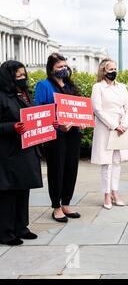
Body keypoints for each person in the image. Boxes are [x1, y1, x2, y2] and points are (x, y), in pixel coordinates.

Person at [34, 53, 83, 223]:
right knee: (57, 171)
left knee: (71, 169)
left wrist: (81, 120)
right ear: (51, 69)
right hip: (55, 135)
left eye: (64, 66)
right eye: (59, 67)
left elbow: (77, 107)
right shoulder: (44, 85)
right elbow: (38, 112)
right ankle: (56, 206)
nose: (63, 69)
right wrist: (57, 124)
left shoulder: (69, 85)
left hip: (73, 134)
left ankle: (66, 203)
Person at [0, 61, 42, 245]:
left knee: (24, 189)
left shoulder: (25, 94)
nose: (22, 78)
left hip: (26, 149)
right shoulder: (1, 96)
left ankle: (21, 226)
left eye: (23, 74)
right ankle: (5, 232)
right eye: (18, 76)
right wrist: (12, 127)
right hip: (8, 152)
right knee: (9, 192)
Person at [91, 59, 128, 209]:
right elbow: (97, 110)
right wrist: (114, 125)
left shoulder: (122, 87)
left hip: (121, 128)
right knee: (106, 163)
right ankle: (106, 194)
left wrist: (124, 124)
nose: (113, 72)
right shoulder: (98, 87)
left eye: (115, 69)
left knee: (117, 161)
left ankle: (115, 191)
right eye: (110, 69)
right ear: (103, 71)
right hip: (106, 128)